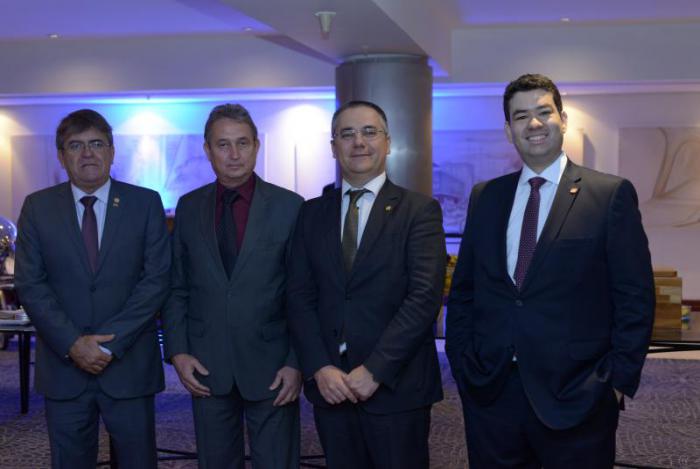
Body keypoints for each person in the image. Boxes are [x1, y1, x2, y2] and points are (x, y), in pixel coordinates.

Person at [446, 73, 655, 468]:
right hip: (491, 394)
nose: (534, 123)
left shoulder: (608, 195)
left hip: (578, 394)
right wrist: (462, 367)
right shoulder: (486, 196)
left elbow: (635, 297)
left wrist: (616, 383)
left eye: (544, 112)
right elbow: (465, 292)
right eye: (520, 116)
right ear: (509, 131)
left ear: (563, 120)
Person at [287, 100, 446, 469]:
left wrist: (375, 369)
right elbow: (298, 296)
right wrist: (319, 367)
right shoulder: (311, 213)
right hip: (331, 387)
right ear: (334, 147)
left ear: (387, 143)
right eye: (347, 134)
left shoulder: (419, 211)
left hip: (396, 387)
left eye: (369, 132)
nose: (358, 142)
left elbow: (423, 298)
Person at [15, 109, 171, 469]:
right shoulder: (38, 207)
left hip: (129, 366)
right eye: (76, 145)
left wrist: (108, 344)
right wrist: (73, 343)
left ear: (112, 152)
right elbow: (31, 284)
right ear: (61, 156)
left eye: (97, 144)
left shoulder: (145, 203)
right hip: (64, 369)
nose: (87, 153)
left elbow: (156, 280)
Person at [161, 103, 303, 468]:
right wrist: (178, 351)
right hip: (206, 365)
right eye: (223, 145)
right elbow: (177, 286)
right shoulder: (189, 207)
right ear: (207, 150)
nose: (234, 154)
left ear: (257, 146)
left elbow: (303, 293)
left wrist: (296, 362)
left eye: (242, 143)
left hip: (273, 365)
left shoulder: (290, 207)